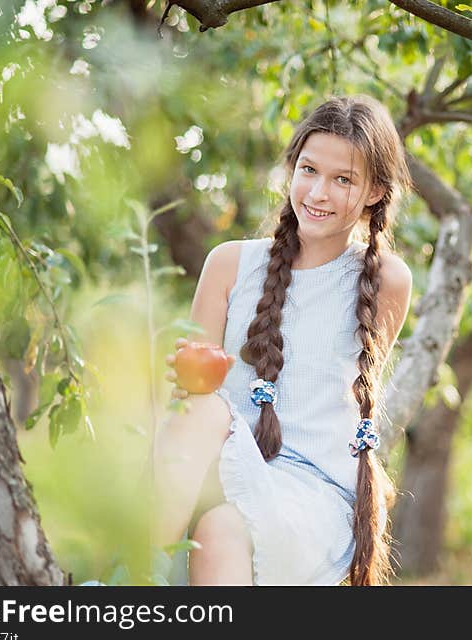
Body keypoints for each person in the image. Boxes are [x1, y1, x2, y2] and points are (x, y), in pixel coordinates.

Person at [152, 95, 413, 586]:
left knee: (222, 527)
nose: (318, 192)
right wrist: (187, 383)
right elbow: (189, 401)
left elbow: (345, 403)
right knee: (204, 428)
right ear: (292, 168)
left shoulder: (385, 282)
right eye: (308, 169)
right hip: (226, 462)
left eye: (343, 180)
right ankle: (133, 581)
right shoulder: (229, 264)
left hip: (311, 488)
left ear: (376, 191)